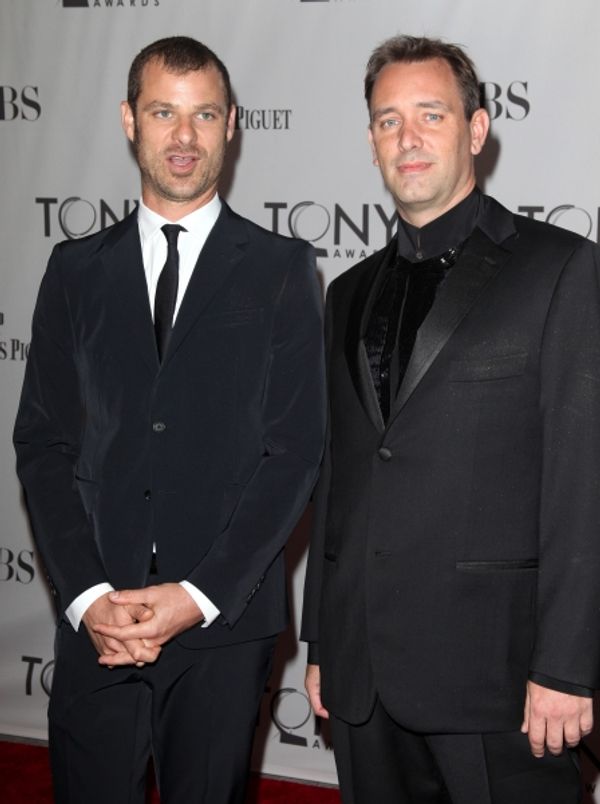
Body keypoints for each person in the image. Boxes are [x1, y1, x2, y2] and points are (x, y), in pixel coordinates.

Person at [14, 36, 325, 804]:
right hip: (99, 626)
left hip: (224, 622)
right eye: (163, 112)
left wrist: (201, 594)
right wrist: (87, 597)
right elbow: (43, 443)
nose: (184, 137)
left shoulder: (283, 269)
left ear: (230, 126)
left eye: (203, 115)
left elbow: (293, 452)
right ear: (129, 121)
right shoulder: (74, 270)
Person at [301, 34, 600, 804]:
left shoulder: (559, 268)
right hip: (365, 676)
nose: (408, 138)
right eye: (388, 120)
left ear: (476, 129)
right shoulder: (346, 292)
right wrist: (324, 641)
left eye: (430, 115)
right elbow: (341, 478)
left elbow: (583, 482)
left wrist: (568, 667)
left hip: (499, 681)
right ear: (370, 142)